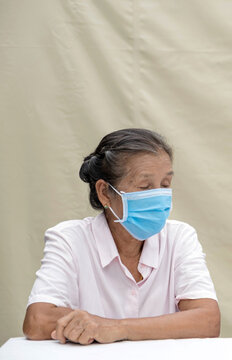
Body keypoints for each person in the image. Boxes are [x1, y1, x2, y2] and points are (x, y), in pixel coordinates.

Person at [23, 128, 220, 344]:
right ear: (105, 192)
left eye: (165, 185)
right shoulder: (69, 239)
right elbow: (37, 320)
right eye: (145, 186)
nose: (158, 195)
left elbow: (208, 321)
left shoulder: (180, 237)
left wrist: (116, 328)